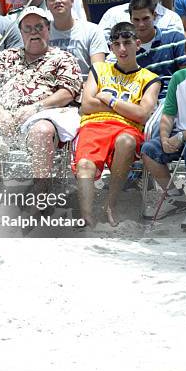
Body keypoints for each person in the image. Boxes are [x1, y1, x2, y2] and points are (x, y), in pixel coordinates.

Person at [74, 22, 162, 227]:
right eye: (116, 44)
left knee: (126, 142)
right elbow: (87, 105)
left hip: (127, 129)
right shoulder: (99, 69)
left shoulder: (150, 79)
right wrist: (127, 109)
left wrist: (110, 100)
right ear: (111, 47)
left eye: (127, 42)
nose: (122, 49)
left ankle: (110, 204)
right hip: (94, 125)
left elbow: (142, 115)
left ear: (137, 44)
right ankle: (87, 217)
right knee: (85, 165)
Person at [0, 6, 82, 178]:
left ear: (48, 29)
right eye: (28, 28)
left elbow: (68, 92)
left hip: (41, 116)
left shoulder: (62, 58)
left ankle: (40, 195)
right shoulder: (6, 56)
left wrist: (35, 109)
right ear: (21, 32)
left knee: (42, 131)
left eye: (39, 27)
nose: (34, 32)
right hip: (3, 117)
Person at [141, 33, 186, 227]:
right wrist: (164, 138)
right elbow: (168, 113)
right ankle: (175, 198)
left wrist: (182, 136)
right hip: (179, 135)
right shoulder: (179, 78)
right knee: (149, 150)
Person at [126, 0, 186, 98]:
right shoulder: (127, 49)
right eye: (136, 20)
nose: (141, 24)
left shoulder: (174, 38)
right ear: (130, 19)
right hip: (145, 103)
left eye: (145, 18)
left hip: (178, 99)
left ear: (154, 15)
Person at [46, 0, 108, 76]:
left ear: (72, 1)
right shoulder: (42, 33)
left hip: (85, 85)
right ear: (47, 5)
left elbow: (99, 72)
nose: (57, 1)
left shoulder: (92, 31)